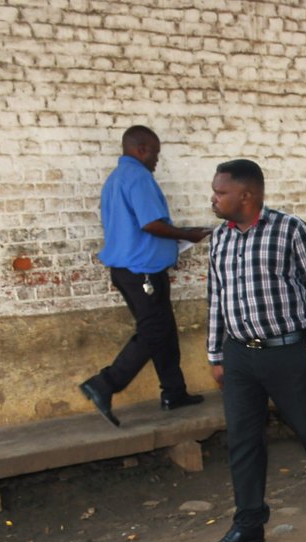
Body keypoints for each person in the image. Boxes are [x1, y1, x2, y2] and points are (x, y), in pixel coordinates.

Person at [200, 159, 306, 542]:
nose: (214, 198)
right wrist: (216, 354)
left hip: (287, 353)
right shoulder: (220, 239)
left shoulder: (290, 230)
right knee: (242, 440)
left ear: (246, 196)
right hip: (239, 356)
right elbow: (217, 299)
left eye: (220, 192)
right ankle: (249, 523)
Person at [79, 126, 212, 427]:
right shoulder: (138, 177)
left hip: (132, 269)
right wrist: (187, 234)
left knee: (163, 331)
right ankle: (105, 384)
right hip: (141, 272)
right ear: (141, 149)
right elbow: (151, 224)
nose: (156, 161)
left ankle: (174, 392)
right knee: (153, 332)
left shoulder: (115, 179)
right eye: (155, 154)